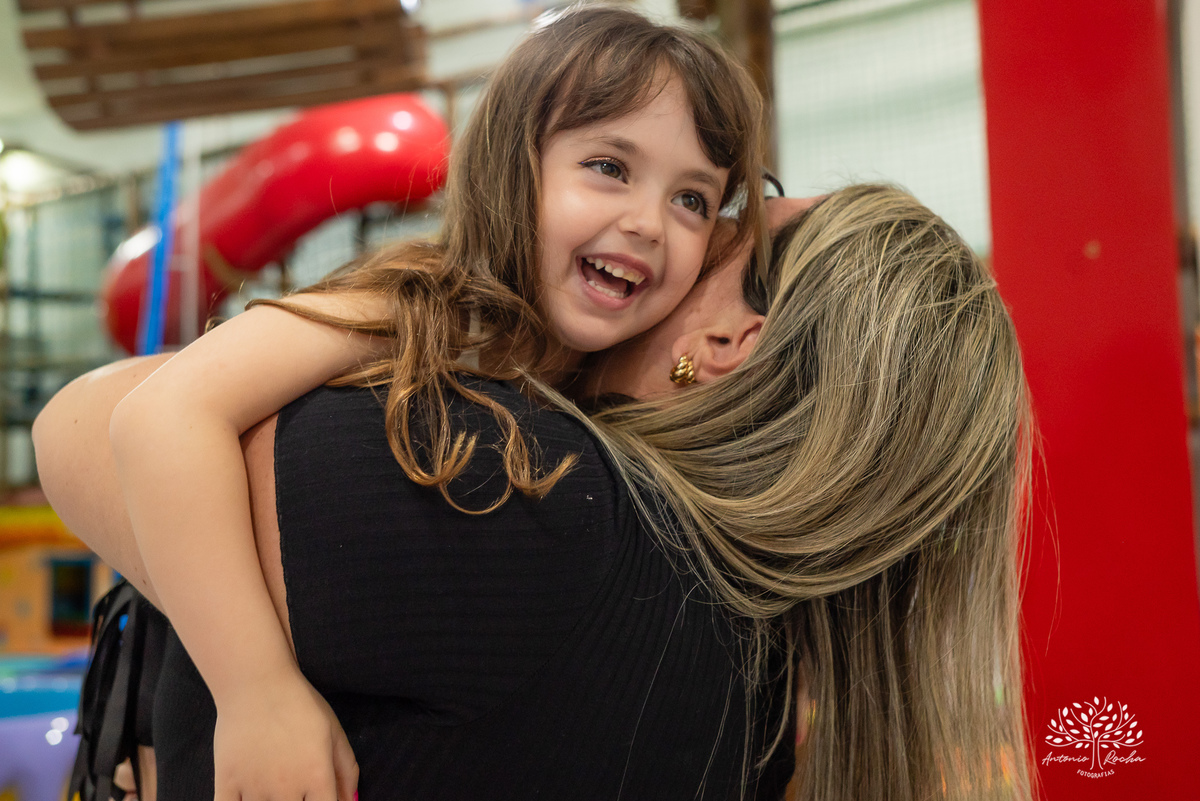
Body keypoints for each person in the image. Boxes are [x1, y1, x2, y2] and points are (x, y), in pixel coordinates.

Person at [36, 185, 1034, 800]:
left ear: (729, 342)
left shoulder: (537, 497)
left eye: (716, 217)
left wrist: (434, 292)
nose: (658, 234)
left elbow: (92, 429)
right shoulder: (758, 658)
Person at [58, 5, 767, 799]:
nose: (647, 223)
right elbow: (162, 415)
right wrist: (257, 688)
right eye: (608, 166)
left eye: (693, 200)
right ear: (514, 164)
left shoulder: (587, 393)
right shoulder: (421, 305)